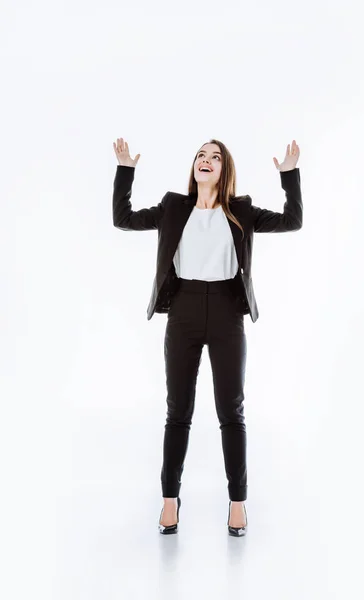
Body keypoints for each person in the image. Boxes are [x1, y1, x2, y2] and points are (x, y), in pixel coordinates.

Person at [112, 137, 302, 536]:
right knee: (177, 410)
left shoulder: (242, 211)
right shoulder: (172, 206)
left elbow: (292, 221)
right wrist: (125, 169)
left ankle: (238, 503)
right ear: (194, 166)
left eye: (215, 157)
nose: (206, 160)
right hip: (181, 311)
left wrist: (289, 176)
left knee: (231, 411)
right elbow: (123, 219)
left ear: (224, 170)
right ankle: (169, 500)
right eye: (201, 154)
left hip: (226, 313)